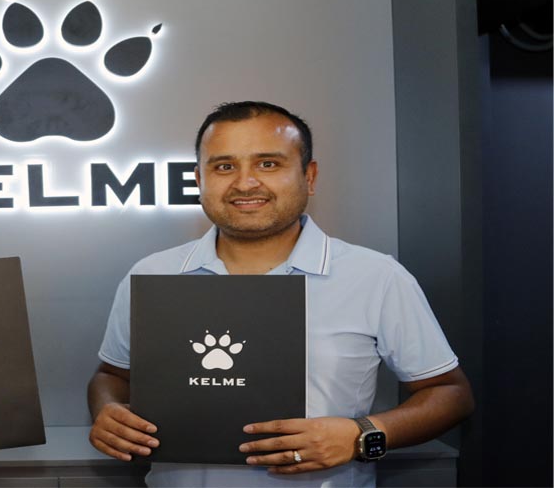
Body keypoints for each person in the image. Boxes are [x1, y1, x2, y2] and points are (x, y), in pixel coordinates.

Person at [87, 101, 474, 487]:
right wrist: (107, 411)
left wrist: (362, 435)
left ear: (309, 175)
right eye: (224, 167)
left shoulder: (376, 277)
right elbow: (111, 375)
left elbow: (450, 393)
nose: (245, 183)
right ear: (199, 179)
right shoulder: (151, 273)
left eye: (268, 164)